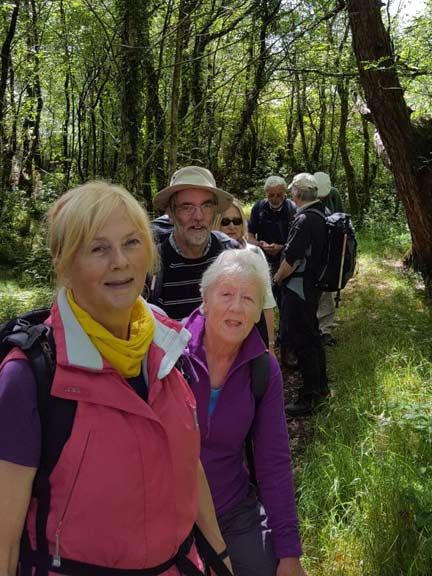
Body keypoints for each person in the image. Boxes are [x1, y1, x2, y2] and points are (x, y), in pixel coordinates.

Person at [0, 181, 232, 576]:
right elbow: (4, 542)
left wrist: (219, 556)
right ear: (64, 263)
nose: (120, 262)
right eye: (97, 248)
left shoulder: (168, 343)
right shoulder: (29, 377)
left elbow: (185, 463)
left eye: (131, 242)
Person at [182, 249, 307, 576]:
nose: (237, 307)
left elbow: (274, 460)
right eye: (226, 294)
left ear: (258, 312)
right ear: (204, 300)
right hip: (166, 509)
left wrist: (289, 552)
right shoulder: (168, 350)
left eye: (249, 299)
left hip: (232, 509)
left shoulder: (262, 369)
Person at [146, 166, 238, 321]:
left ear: (215, 211)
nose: (198, 216)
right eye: (187, 207)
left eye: (206, 206)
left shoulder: (232, 255)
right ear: (170, 213)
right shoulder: (151, 266)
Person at [273, 173, 329, 417]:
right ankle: (321, 387)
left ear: (295, 194)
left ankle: (308, 398)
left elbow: (292, 259)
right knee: (313, 336)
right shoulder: (322, 215)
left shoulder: (304, 219)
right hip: (313, 285)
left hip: (299, 288)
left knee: (303, 340)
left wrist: (276, 278)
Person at [214, 198, 277, 352]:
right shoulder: (210, 256)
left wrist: (270, 346)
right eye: (225, 221)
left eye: (236, 221)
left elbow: (267, 304)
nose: (231, 226)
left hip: (252, 333)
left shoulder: (254, 253)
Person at [247, 176, 297, 303]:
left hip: (287, 262)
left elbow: (299, 242)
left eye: (279, 195)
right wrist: (259, 244)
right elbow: (250, 236)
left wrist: (281, 247)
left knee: (285, 303)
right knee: (262, 302)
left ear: (285, 193)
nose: (275, 199)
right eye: (271, 195)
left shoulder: (293, 209)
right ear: (266, 193)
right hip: (263, 261)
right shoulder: (258, 208)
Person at [313, 172, 344, 347]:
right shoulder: (306, 193)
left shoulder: (334, 195)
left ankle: (325, 330)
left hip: (330, 249)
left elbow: (341, 218)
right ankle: (312, 325)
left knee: (327, 290)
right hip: (313, 250)